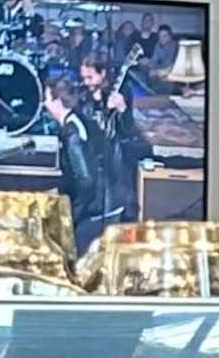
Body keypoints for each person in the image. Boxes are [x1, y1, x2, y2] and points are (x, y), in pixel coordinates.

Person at [54, 46, 149, 255]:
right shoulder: (83, 95)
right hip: (91, 165)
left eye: (90, 77)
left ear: (103, 73)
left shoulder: (120, 92)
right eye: (83, 77)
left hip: (114, 166)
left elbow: (129, 132)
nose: (85, 82)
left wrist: (122, 110)